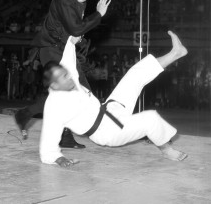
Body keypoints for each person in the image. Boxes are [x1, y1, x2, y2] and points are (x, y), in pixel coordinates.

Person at [39, 31, 188, 167]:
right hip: (106, 132)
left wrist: (72, 40)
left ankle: (176, 53)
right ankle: (167, 150)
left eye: (67, 73)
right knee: (150, 118)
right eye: (64, 77)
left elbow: (68, 56)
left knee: (135, 74)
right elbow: (49, 136)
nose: (70, 76)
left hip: (108, 110)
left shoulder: (65, 76)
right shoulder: (54, 106)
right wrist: (57, 158)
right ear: (54, 85)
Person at [14, 0, 111, 148]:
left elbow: (75, 29)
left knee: (82, 91)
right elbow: (76, 28)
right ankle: (28, 115)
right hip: (50, 48)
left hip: (66, 50)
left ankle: (32, 117)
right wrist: (98, 14)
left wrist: (78, 36)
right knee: (64, 91)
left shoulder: (80, 1)